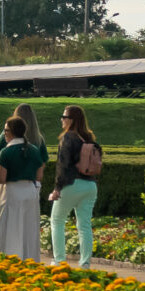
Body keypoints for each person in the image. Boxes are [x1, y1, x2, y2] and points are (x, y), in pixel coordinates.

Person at [48, 105, 101, 267]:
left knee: (57, 220)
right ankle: (85, 264)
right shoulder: (89, 138)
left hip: (71, 184)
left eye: (64, 117)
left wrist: (57, 188)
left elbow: (62, 165)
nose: (62, 120)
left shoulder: (68, 138)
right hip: (90, 185)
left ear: (72, 120)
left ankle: (59, 261)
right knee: (84, 225)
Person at [0, 114, 48, 261]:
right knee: (28, 227)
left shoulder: (6, 152)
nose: (4, 134)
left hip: (12, 192)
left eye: (6, 131)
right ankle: (29, 258)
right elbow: (39, 175)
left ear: (12, 132)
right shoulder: (34, 149)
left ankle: (9, 257)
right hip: (30, 191)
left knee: (10, 226)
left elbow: (1, 179)